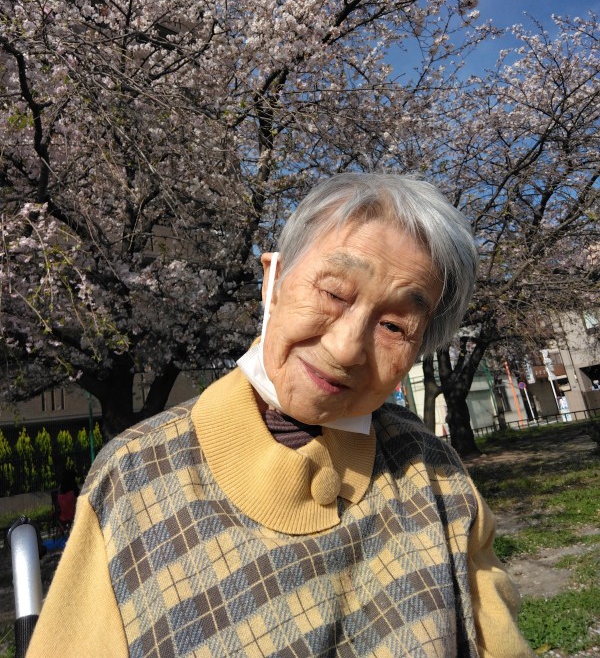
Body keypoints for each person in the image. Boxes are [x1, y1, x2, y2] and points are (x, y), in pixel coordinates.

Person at [27, 173, 534, 657]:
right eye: (333, 293)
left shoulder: (439, 481)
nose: (346, 347)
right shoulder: (132, 477)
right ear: (273, 279)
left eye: (395, 327)